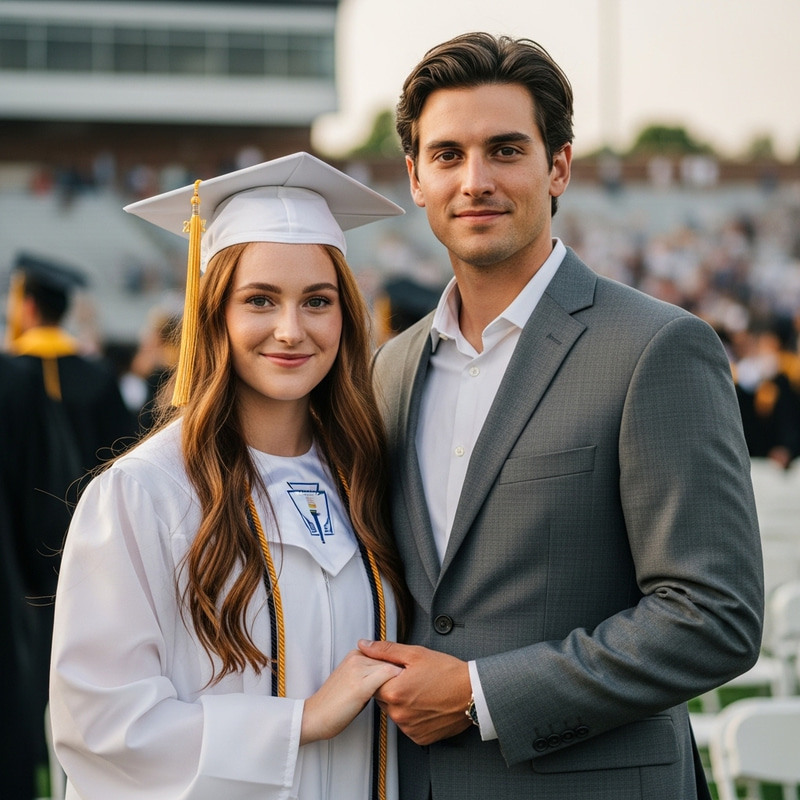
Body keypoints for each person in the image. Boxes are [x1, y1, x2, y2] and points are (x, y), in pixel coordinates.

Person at [361, 33, 764, 800]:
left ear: (559, 167)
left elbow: (714, 615)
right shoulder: (391, 368)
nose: (475, 181)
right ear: (415, 178)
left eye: (505, 150)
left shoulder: (656, 348)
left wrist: (480, 694)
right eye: (447, 155)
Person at [49, 152, 410, 799]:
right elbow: (99, 728)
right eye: (260, 300)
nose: (291, 330)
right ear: (214, 312)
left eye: (317, 301)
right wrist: (299, 722)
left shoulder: (367, 478)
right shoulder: (145, 493)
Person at [6, 252, 137, 474]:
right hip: (88, 494)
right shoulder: (99, 376)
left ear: (28, 307)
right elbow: (124, 449)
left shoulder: (10, 376)